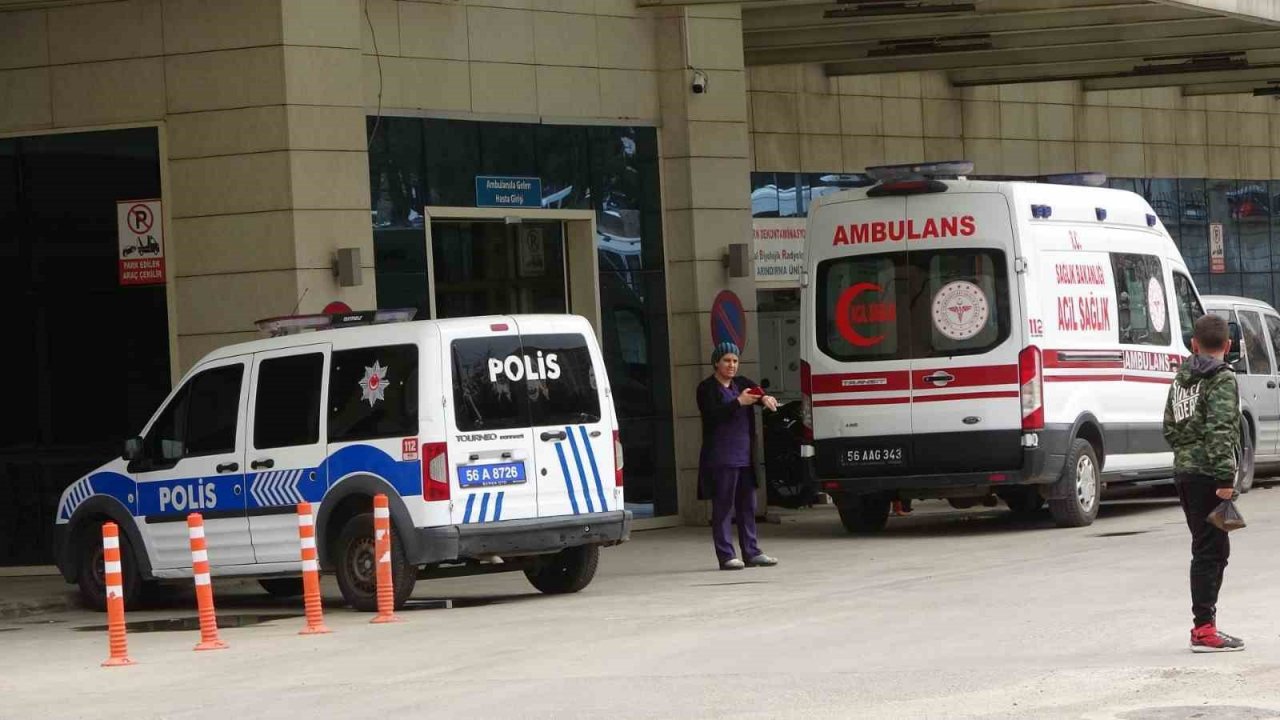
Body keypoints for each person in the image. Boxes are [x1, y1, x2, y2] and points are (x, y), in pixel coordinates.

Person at [1162, 313, 1244, 652]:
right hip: (1210, 475)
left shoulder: (1181, 379)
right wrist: (1226, 478)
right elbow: (1222, 430)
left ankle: (1206, 625)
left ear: (1194, 344)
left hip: (1185, 473)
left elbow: (1168, 426)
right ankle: (1204, 630)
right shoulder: (1223, 380)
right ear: (1227, 345)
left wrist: (1187, 452)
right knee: (1210, 551)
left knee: (1212, 548)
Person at [698, 341, 780, 570]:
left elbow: (757, 390)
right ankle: (726, 556)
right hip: (722, 457)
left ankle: (752, 552)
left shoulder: (741, 383)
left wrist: (764, 398)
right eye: (726, 360)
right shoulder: (706, 388)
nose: (731, 365)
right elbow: (712, 415)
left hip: (745, 456)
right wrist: (738, 402)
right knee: (723, 506)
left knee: (747, 506)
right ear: (716, 362)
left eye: (735, 361)